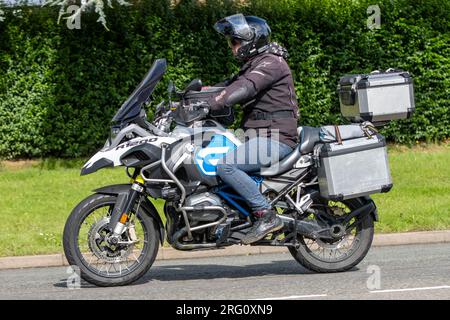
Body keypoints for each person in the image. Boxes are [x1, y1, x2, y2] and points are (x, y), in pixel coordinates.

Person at [206, 14, 299, 244]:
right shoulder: (254, 64)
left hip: (277, 138)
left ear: (251, 41)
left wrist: (213, 102)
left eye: (235, 42)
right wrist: (189, 99)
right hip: (259, 136)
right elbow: (227, 86)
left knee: (226, 165)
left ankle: (265, 214)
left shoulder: (271, 63)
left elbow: (244, 89)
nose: (233, 48)